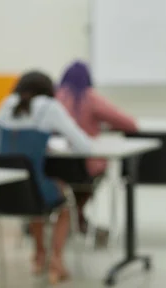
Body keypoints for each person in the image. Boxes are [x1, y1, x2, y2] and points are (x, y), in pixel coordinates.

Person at [0, 71, 92, 284]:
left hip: (4, 190)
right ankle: (56, 261)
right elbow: (84, 145)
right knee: (63, 197)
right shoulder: (49, 107)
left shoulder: (7, 103)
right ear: (48, 90)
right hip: (35, 188)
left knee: (33, 198)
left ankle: (39, 255)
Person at [54, 60, 138, 232]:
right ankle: (76, 214)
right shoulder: (89, 97)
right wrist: (104, 126)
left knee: (67, 181)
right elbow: (129, 123)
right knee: (96, 170)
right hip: (83, 166)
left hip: (54, 166)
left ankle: (72, 217)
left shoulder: (54, 98)